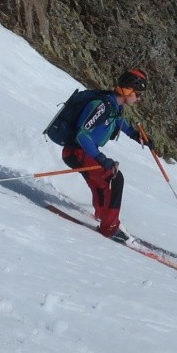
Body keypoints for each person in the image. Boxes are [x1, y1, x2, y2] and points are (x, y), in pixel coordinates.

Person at [61, 68, 151, 241]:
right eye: (138, 94)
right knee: (114, 178)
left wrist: (137, 136)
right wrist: (101, 159)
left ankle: (103, 216)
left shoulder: (113, 105)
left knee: (101, 184)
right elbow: (82, 134)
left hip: (83, 151)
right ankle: (109, 227)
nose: (139, 99)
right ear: (127, 90)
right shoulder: (102, 106)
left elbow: (119, 121)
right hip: (77, 151)